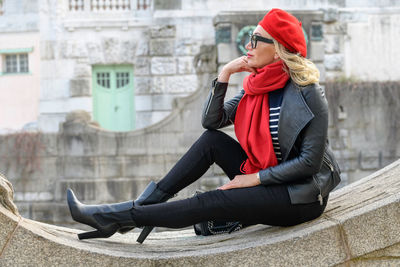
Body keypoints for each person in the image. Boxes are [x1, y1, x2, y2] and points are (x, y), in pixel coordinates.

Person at [67, 8, 341, 243]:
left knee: (212, 202)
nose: (248, 46)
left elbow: (309, 163)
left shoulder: (308, 92)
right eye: (250, 38)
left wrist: (253, 179)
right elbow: (212, 121)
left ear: (278, 48)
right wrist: (224, 75)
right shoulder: (256, 88)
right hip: (266, 175)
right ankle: (141, 208)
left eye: (256, 40)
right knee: (212, 141)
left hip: (300, 196)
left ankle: (114, 218)